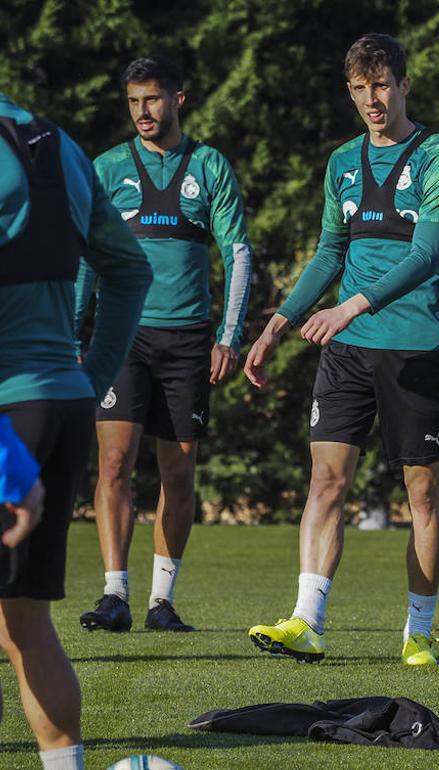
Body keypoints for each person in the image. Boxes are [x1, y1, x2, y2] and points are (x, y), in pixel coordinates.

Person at [242, 33, 439, 667]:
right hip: (348, 352)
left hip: (415, 348)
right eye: (360, 88)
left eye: (382, 84)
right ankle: (306, 622)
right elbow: (329, 255)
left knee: (421, 496)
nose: (373, 98)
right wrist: (275, 326)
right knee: (325, 482)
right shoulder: (341, 161)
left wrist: (349, 306)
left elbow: (426, 256)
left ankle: (418, 632)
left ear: (403, 84)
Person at [75, 55, 254, 634]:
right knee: (112, 463)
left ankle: (161, 602)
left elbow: (239, 254)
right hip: (120, 338)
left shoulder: (209, 166)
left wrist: (228, 337)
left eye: (152, 99)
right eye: (133, 101)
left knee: (177, 472)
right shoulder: (105, 169)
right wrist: (77, 333)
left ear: (178, 99)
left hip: (188, 342)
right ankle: (114, 595)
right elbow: (86, 258)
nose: (142, 111)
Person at [0, 91, 151, 770]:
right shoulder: (57, 145)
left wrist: (7, 460)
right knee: (25, 624)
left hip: (9, 420)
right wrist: (89, 376)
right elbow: (128, 268)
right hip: (58, 403)